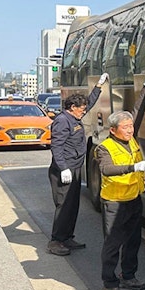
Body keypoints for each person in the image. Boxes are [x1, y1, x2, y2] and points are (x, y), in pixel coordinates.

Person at [95, 110, 145, 290]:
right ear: (113, 130)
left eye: (131, 126)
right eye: (125, 127)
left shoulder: (131, 141)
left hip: (133, 199)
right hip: (114, 202)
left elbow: (138, 110)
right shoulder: (105, 147)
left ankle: (128, 276)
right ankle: (109, 284)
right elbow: (106, 169)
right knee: (113, 244)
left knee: (133, 240)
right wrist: (134, 167)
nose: (130, 130)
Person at [47, 72, 108, 256]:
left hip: (74, 168)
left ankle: (67, 237)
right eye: (81, 109)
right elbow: (56, 147)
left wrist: (98, 86)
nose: (84, 111)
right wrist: (63, 168)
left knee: (73, 206)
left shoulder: (74, 117)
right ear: (72, 107)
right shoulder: (62, 121)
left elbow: (89, 103)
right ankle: (56, 241)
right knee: (64, 206)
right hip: (63, 170)